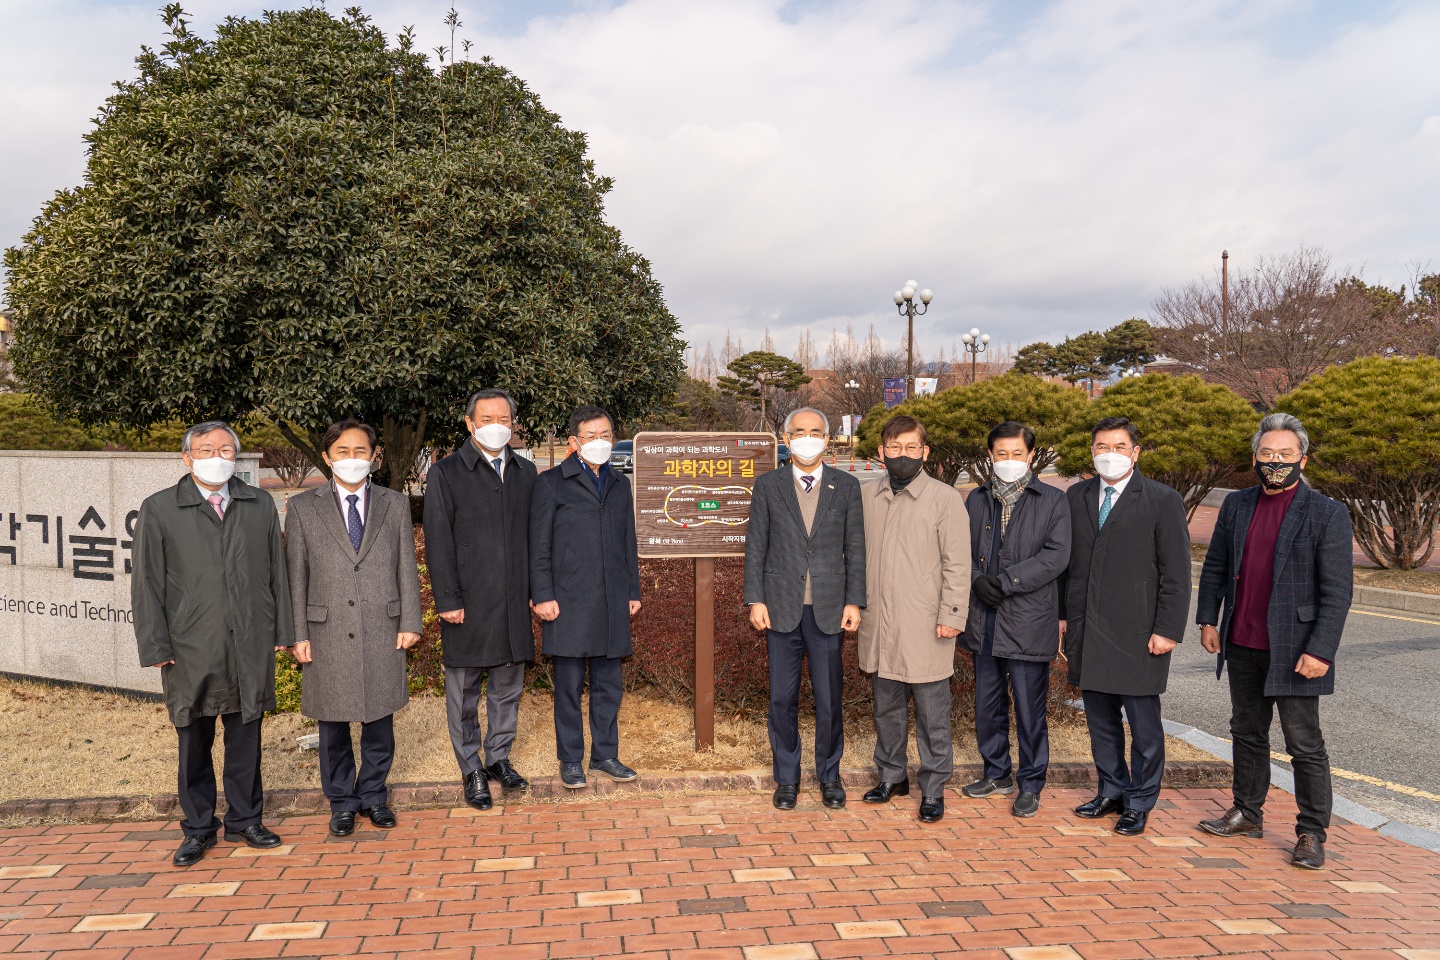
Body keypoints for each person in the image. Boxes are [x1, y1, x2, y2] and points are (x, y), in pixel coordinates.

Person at [132, 420, 294, 867]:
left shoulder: (258, 503)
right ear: (187, 457)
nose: (217, 457)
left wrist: (282, 631)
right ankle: (199, 828)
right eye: (206, 449)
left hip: (249, 640)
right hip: (190, 644)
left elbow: (276, 573)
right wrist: (155, 644)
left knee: (246, 738)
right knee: (194, 740)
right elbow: (145, 582)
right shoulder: (161, 508)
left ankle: (245, 820)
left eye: (226, 450)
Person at [1196, 413, 1353, 870]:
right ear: (1254, 458)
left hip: (1297, 648)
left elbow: (1337, 592)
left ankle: (1311, 832)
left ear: (1303, 458)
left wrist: (1321, 649)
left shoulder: (1327, 512)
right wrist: (1209, 619)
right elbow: (1216, 566)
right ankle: (1247, 812)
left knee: (1304, 743)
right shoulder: (1237, 505)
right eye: (1268, 454)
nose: (1276, 462)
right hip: (1242, 640)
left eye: (1285, 454)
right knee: (1246, 732)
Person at [285, 419, 423, 836]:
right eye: (342, 452)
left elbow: (406, 567)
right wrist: (298, 633)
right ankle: (342, 802)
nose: (351, 459)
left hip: (383, 626)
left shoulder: (394, 504)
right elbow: (296, 575)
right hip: (325, 631)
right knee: (332, 725)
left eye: (360, 451)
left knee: (380, 720)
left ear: (374, 457)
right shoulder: (303, 507)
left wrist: (410, 620)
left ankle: (374, 796)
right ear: (327, 458)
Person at [1060, 416, 1191, 836]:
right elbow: (1068, 565)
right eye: (1101, 446)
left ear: (1135, 452)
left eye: (1118, 446)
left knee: (1144, 727)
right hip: (1088, 627)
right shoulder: (1077, 497)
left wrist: (1168, 628)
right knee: (1100, 722)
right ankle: (1111, 791)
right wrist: (1064, 617)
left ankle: (1139, 801)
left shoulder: (1161, 499)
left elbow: (1176, 572)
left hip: (1139, 632)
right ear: (1091, 451)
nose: (1109, 454)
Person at [423, 389, 539, 810]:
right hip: (467, 602)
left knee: (507, 687)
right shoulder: (447, 473)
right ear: (470, 424)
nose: (496, 426)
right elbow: (437, 541)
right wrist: (448, 598)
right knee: (464, 691)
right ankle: (471, 767)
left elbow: (537, 539)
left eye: (504, 419)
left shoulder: (527, 473)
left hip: (512, 600)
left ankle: (499, 758)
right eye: (487, 418)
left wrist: (536, 591)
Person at [744, 407, 865, 811]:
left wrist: (854, 600)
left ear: (827, 439)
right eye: (799, 431)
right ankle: (787, 779)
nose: (807, 437)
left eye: (815, 431)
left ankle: (830, 776)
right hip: (780, 607)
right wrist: (755, 598)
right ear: (785, 437)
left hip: (829, 608)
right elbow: (756, 547)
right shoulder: (768, 485)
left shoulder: (846, 486)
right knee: (782, 697)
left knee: (830, 698)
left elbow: (855, 550)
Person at [857, 415, 968, 823]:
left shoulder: (944, 499)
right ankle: (892, 776)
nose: (901, 455)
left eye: (910, 448)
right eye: (894, 447)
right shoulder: (867, 496)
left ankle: (934, 786)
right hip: (879, 621)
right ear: (881, 451)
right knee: (886, 708)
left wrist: (953, 615)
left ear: (925, 452)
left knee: (931, 713)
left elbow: (957, 564)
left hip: (926, 624)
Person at [958, 421, 1071, 818]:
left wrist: (1006, 583)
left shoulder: (1054, 501)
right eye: (1001, 454)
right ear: (990, 456)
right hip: (984, 621)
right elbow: (958, 550)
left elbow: (1056, 556)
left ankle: (1031, 782)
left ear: (1030, 456)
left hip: (1027, 620)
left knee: (1028, 708)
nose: (1008, 461)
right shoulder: (976, 499)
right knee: (987, 704)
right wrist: (975, 579)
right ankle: (996, 773)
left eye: (1017, 454)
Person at [529, 405, 642, 790]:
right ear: (574, 442)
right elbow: (538, 547)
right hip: (568, 602)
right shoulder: (551, 484)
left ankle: (605, 755)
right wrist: (542, 594)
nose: (601, 442)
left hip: (612, 600)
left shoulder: (619, 483)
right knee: (569, 687)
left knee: (610, 685)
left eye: (606, 435)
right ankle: (571, 759)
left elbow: (628, 540)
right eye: (592, 436)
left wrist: (632, 591)